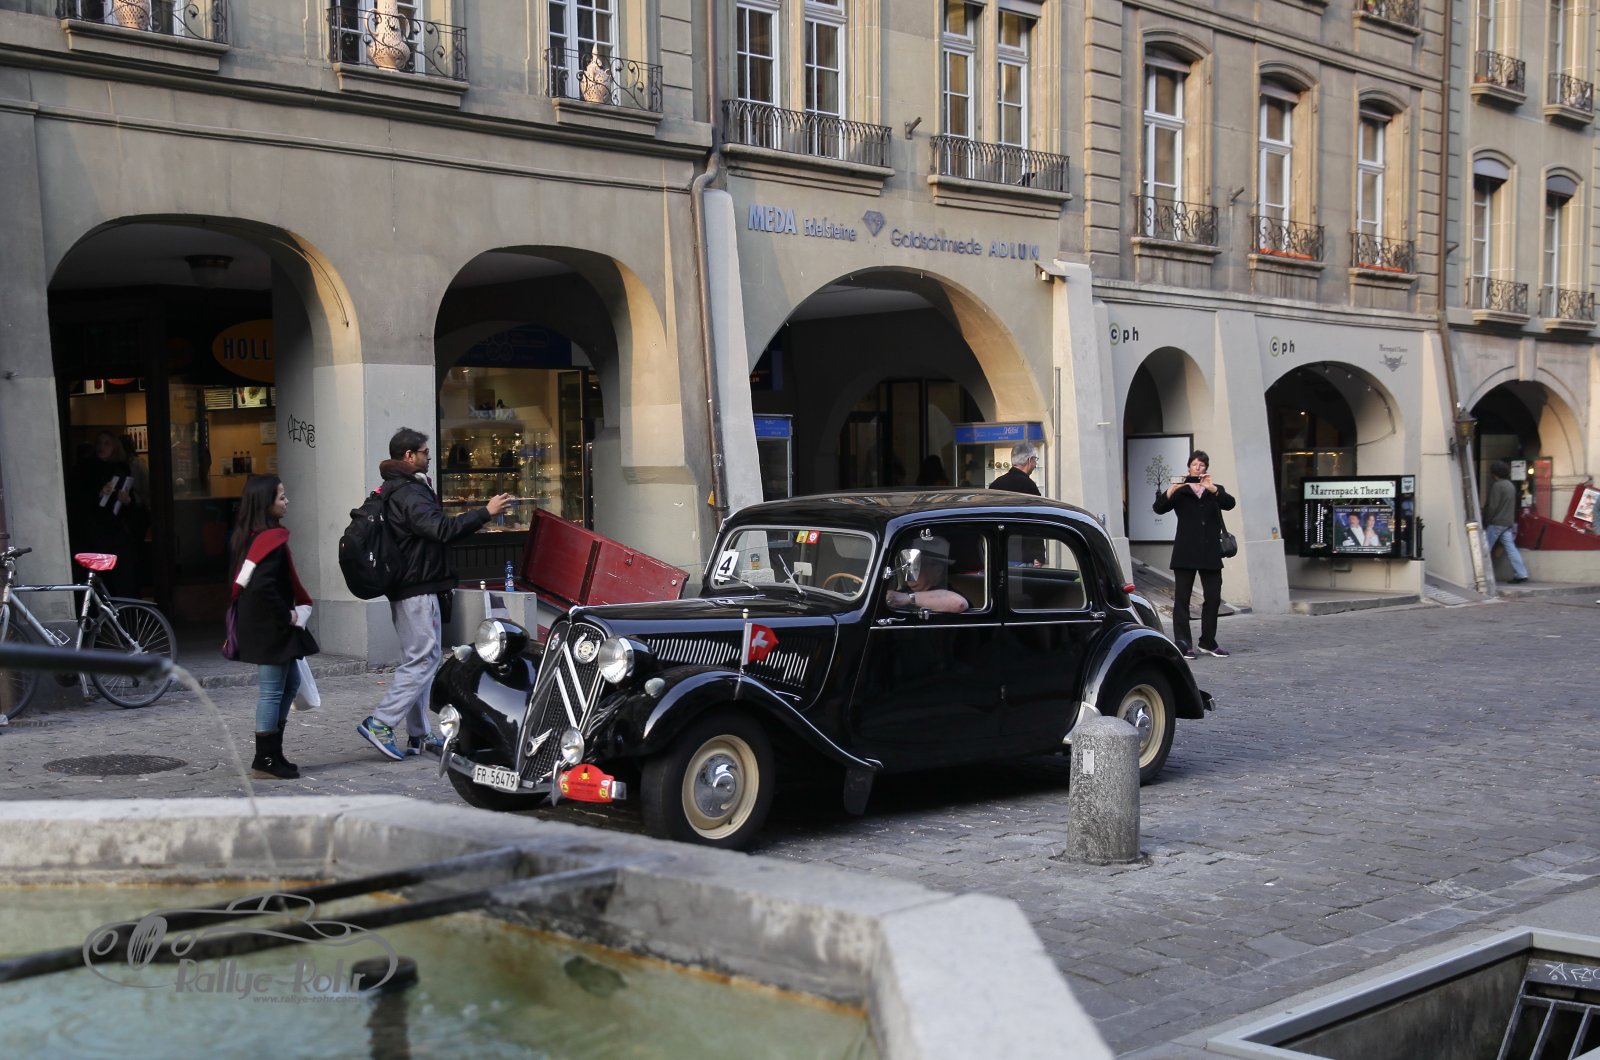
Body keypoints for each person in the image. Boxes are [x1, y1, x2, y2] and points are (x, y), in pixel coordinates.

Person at [358, 427, 515, 760]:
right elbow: (440, 529)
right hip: (416, 586)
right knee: (424, 659)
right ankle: (380, 722)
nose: (430, 457)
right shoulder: (409, 491)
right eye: (425, 452)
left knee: (420, 659)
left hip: (413, 583)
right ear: (409, 456)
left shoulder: (402, 487)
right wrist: (484, 513)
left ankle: (418, 734)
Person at [228, 475, 317, 780]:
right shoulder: (268, 539)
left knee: (290, 684)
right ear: (265, 503)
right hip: (270, 627)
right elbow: (262, 587)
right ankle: (264, 759)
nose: (287, 501)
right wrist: (287, 615)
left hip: (266, 626)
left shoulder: (252, 536)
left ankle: (273, 753)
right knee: (271, 691)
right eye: (281, 497)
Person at [1152, 450, 1236, 659]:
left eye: (1202, 465)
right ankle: (1183, 644)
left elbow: (1230, 503)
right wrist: (1172, 488)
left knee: (1213, 598)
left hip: (1210, 552)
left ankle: (1208, 642)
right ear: (1189, 467)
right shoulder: (1180, 492)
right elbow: (1158, 508)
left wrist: (1212, 488)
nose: (1198, 468)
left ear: (1206, 468)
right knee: (1182, 600)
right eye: (1195, 465)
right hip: (1185, 552)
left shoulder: (1215, 489)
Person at [68, 431, 138, 597]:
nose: (102, 447)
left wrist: (127, 500)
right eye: (99, 443)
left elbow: (131, 500)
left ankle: (121, 608)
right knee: (99, 575)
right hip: (94, 531)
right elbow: (78, 498)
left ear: (115, 447)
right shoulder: (86, 468)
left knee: (122, 575)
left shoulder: (121, 468)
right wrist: (98, 494)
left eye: (107, 443)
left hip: (116, 529)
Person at [884, 535, 969, 613]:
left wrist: (908, 598)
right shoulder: (901, 594)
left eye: (916, 567)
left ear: (937, 570)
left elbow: (958, 604)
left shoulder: (949, 594)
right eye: (909, 566)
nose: (910, 574)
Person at [1482, 460, 1529, 584]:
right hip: (1507, 523)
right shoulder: (1510, 485)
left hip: (1496, 522)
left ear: (1494, 473)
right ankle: (1521, 573)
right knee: (1511, 549)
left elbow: (1493, 506)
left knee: (1485, 549)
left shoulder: (1497, 486)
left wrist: (1486, 520)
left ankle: (1481, 575)